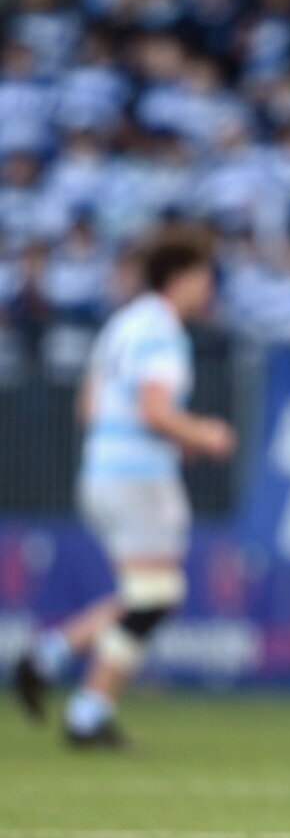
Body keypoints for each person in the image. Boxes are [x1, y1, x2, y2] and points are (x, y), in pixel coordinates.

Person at [13, 227, 236, 745]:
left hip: (103, 471)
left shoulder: (122, 325)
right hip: (139, 478)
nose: (209, 288)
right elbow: (153, 409)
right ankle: (76, 698)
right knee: (153, 598)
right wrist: (202, 434)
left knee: (149, 595)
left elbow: (89, 406)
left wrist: (154, 434)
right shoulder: (160, 330)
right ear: (180, 277)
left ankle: (62, 676)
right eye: (204, 276)